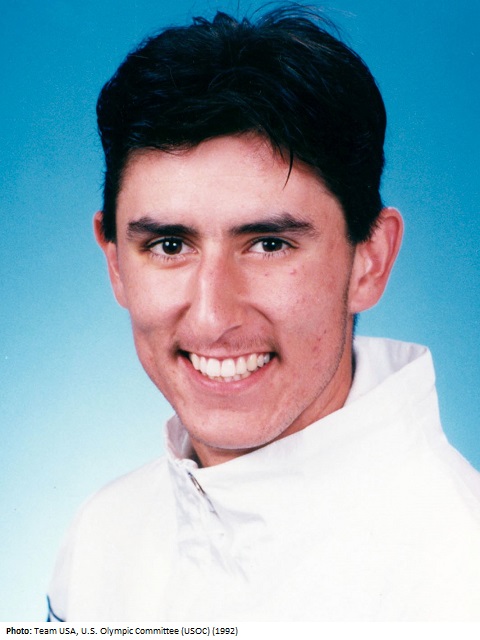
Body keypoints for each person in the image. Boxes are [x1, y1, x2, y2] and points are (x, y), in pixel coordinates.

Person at [47, 7, 480, 621]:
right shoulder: (101, 542)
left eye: (270, 244)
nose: (211, 317)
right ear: (115, 262)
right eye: (169, 245)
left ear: (370, 260)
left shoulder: (458, 583)